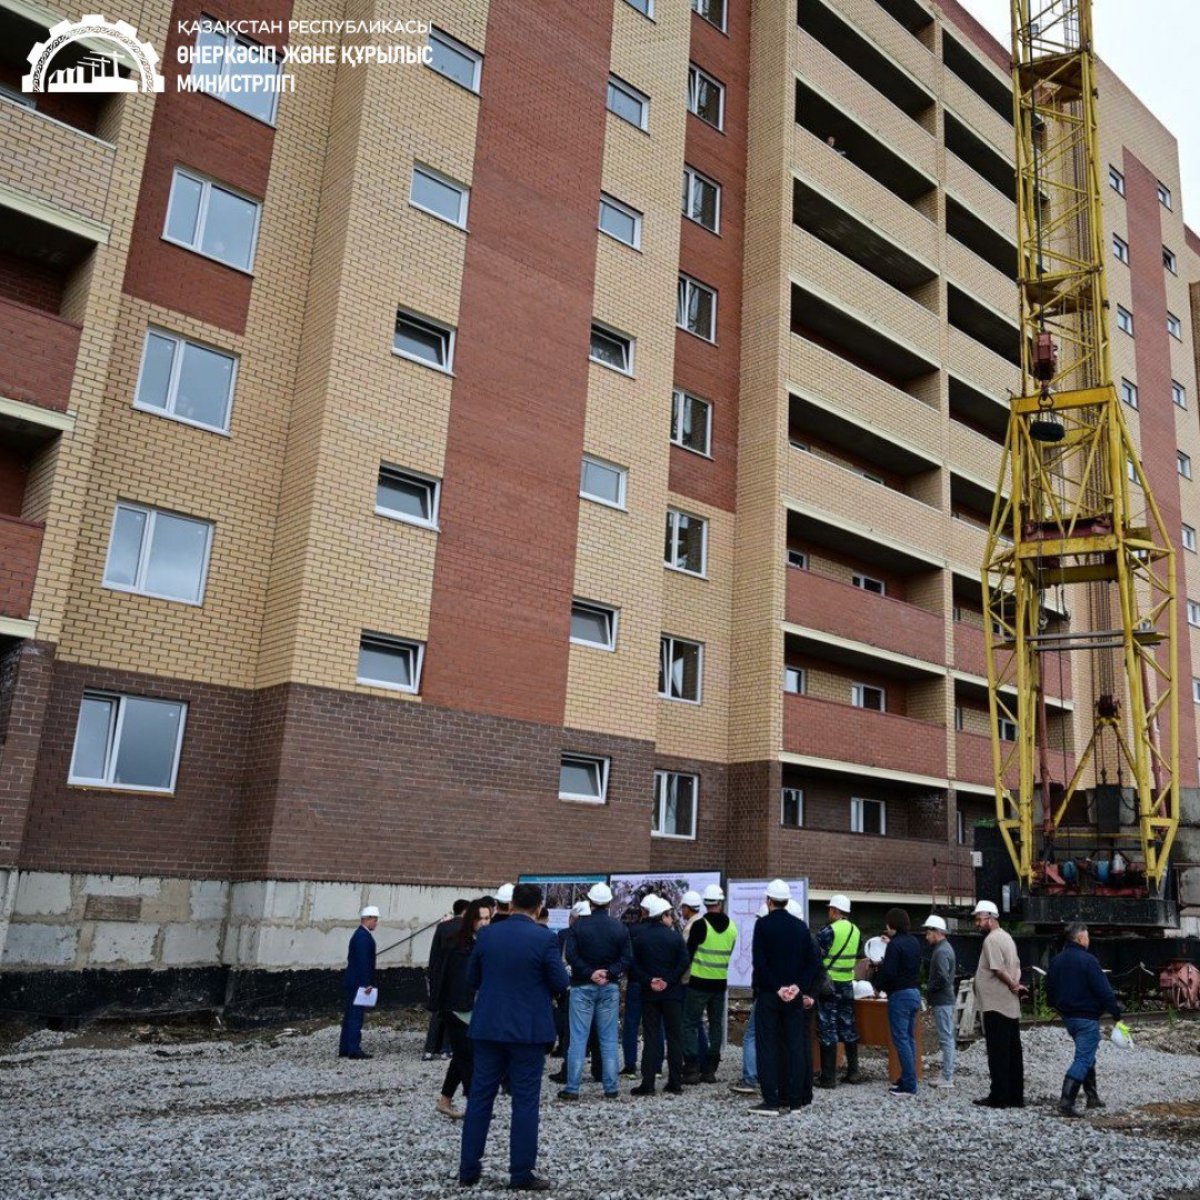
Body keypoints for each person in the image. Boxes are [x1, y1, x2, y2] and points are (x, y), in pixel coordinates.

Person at [458, 882, 568, 1191]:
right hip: (527, 1031)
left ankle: (468, 1169)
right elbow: (560, 981)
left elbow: (472, 978)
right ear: (538, 908)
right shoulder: (544, 938)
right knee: (525, 1101)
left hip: (488, 1027)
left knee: (480, 1097)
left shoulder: (487, 935)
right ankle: (521, 1172)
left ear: (510, 905)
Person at [749, 879, 819, 1115]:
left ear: (768, 900)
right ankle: (795, 1101)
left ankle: (771, 1100)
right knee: (795, 1045)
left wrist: (777, 987)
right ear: (787, 901)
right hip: (794, 996)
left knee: (768, 1046)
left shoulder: (763, 925)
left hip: (770, 994)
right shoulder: (801, 927)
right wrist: (798, 987)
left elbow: (759, 962)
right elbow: (812, 962)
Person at [561, 882, 632, 1100]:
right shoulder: (620, 928)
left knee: (578, 1038)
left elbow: (571, 955)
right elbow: (627, 958)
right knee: (609, 1039)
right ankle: (610, 1087)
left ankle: (572, 1088)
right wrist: (609, 973)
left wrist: (590, 972)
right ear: (609, 902)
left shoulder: (578, 927)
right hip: (609, 987)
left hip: (582, 986)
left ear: (590, 902)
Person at [1045, 921, 1121, 1117]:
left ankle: (1092, 1097)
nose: (1089, 940)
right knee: (1083, 1058)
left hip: (1069, 1018)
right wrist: (1116, 1013)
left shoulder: (1057, 960)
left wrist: (1058, 1007)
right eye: (1087, 936)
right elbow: (1104, 990)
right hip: (1086, 1017)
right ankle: (1066, 1102)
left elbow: (1049, 990)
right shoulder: (1089, 961)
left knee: (1087, 1054)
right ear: (1080, 938)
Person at [434, 898, 492, 1118]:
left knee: (461, 1056)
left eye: (487, 918)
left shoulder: (479, 942)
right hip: (458, 1008)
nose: (484, 922)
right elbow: (454, 977)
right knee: (468, 1057)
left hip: (472, 1008)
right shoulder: (460, 944)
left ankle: (445, 1099)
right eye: (480, 918)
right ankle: (475, 1105)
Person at [629, 895, 690, 1096]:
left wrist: (650, 980)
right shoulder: (675, 937)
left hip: (649, 994)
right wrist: (668, 980)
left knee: (651, 1037)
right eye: (669, 914)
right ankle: (675, 1082)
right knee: (674, 1037)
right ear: (663, 915)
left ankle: (647, 1083)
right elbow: (684, 962)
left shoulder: (640, 938)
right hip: (672, 994)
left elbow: (633, 965)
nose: (671, 918)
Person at [971, 899, 1026, 1109]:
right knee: (1013, 1052)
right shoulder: (1007, 937)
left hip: (995, 1004)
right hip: (1009, 1004)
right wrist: (1016, 984)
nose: (977, 923)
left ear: (991, 918)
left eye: (979, 919)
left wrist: (1012, 985)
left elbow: (998, 969)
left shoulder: (991, 940)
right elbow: (1017, 966)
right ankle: (1015, 1096)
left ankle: (999, 1097)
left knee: (998, 1053)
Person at [684, 882, 737, 1084]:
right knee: (716, 1026)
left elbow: (688, 955)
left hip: (698, 983)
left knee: (689, 1023)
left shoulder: (700, 925)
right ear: (721, 903)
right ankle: (710, 1070)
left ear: (705, 903)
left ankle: (691, 1068)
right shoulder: (732, 927)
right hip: (719, 984)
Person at [815, 893, 862, 1088]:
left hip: (829, 985)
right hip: (847, 983)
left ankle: (828, 1077)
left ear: (835, 911)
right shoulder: (856, 930)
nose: (829, 913)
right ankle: (853, 1072)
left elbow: (815, 954)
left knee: (828, 1027)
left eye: (830, 909)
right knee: (848, 1025)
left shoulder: (829, 931)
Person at [875, 908, 921, 1096]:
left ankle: (909, 1084)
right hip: (914, 992)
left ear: (892, 925)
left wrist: (878, 985)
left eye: (888, 926)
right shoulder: (914, 942)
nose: (887, 929)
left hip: (899, 995)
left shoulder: (894, 945)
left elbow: (890, 973)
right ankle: (909, 1077)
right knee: (909, 1038)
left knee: (901, 1040)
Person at [425, 898, 470, 1062]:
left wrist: (433, 974)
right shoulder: (467, 929)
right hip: (458, 977)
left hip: (441, 975)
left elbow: (434, 953)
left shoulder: (442, 927)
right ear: (465, 911)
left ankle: (429, 1050)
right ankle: (447, 1049)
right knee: (454, 1014)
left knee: (438, 1014)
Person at [338, 905, 378, 1059]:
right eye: (374, 920)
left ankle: (345, 1048)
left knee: (349, 1015)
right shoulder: (363, 937)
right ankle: (353, 1049)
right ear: (367, 919)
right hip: (358, 983)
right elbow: (363, 962)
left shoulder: (359, 935)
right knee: (355, 1016)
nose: (376, 923)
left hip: (353, 981)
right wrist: (367, 983)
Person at [922, 914, 957, 1088]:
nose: (926, 936)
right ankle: (947, 1074)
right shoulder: (945, 948)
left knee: (946, 1038)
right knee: (947, 1037)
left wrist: (929, 988)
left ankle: (947, 1077)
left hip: (942, 1000)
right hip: (945, 999)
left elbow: (942, 977)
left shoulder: (941, 951)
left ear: (937, 932)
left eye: (928, 932)